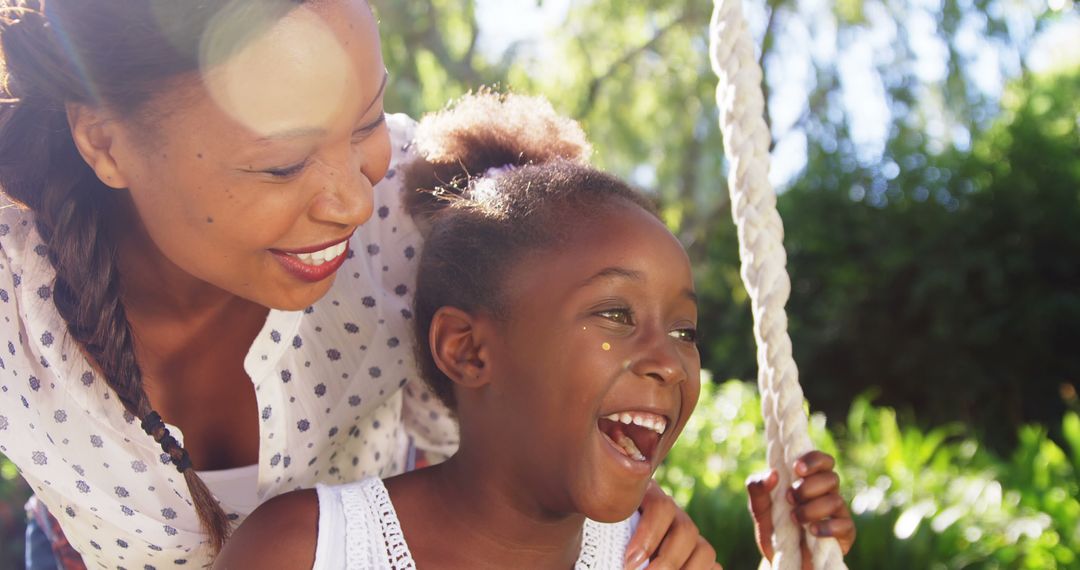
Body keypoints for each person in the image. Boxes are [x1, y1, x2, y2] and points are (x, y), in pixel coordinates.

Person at [0, 1, 723, 567]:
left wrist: (609, 482)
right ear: (104, 140)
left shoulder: (420, 208)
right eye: (281, 166)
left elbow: (544, 370)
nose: (351, 201)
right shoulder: (13, 288)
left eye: (366, 121)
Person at [215, 92, 855, 569]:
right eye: (615, 314)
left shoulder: (653, 558)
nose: (670, 360)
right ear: (467, 350)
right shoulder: (307, 550)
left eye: (685, 330)